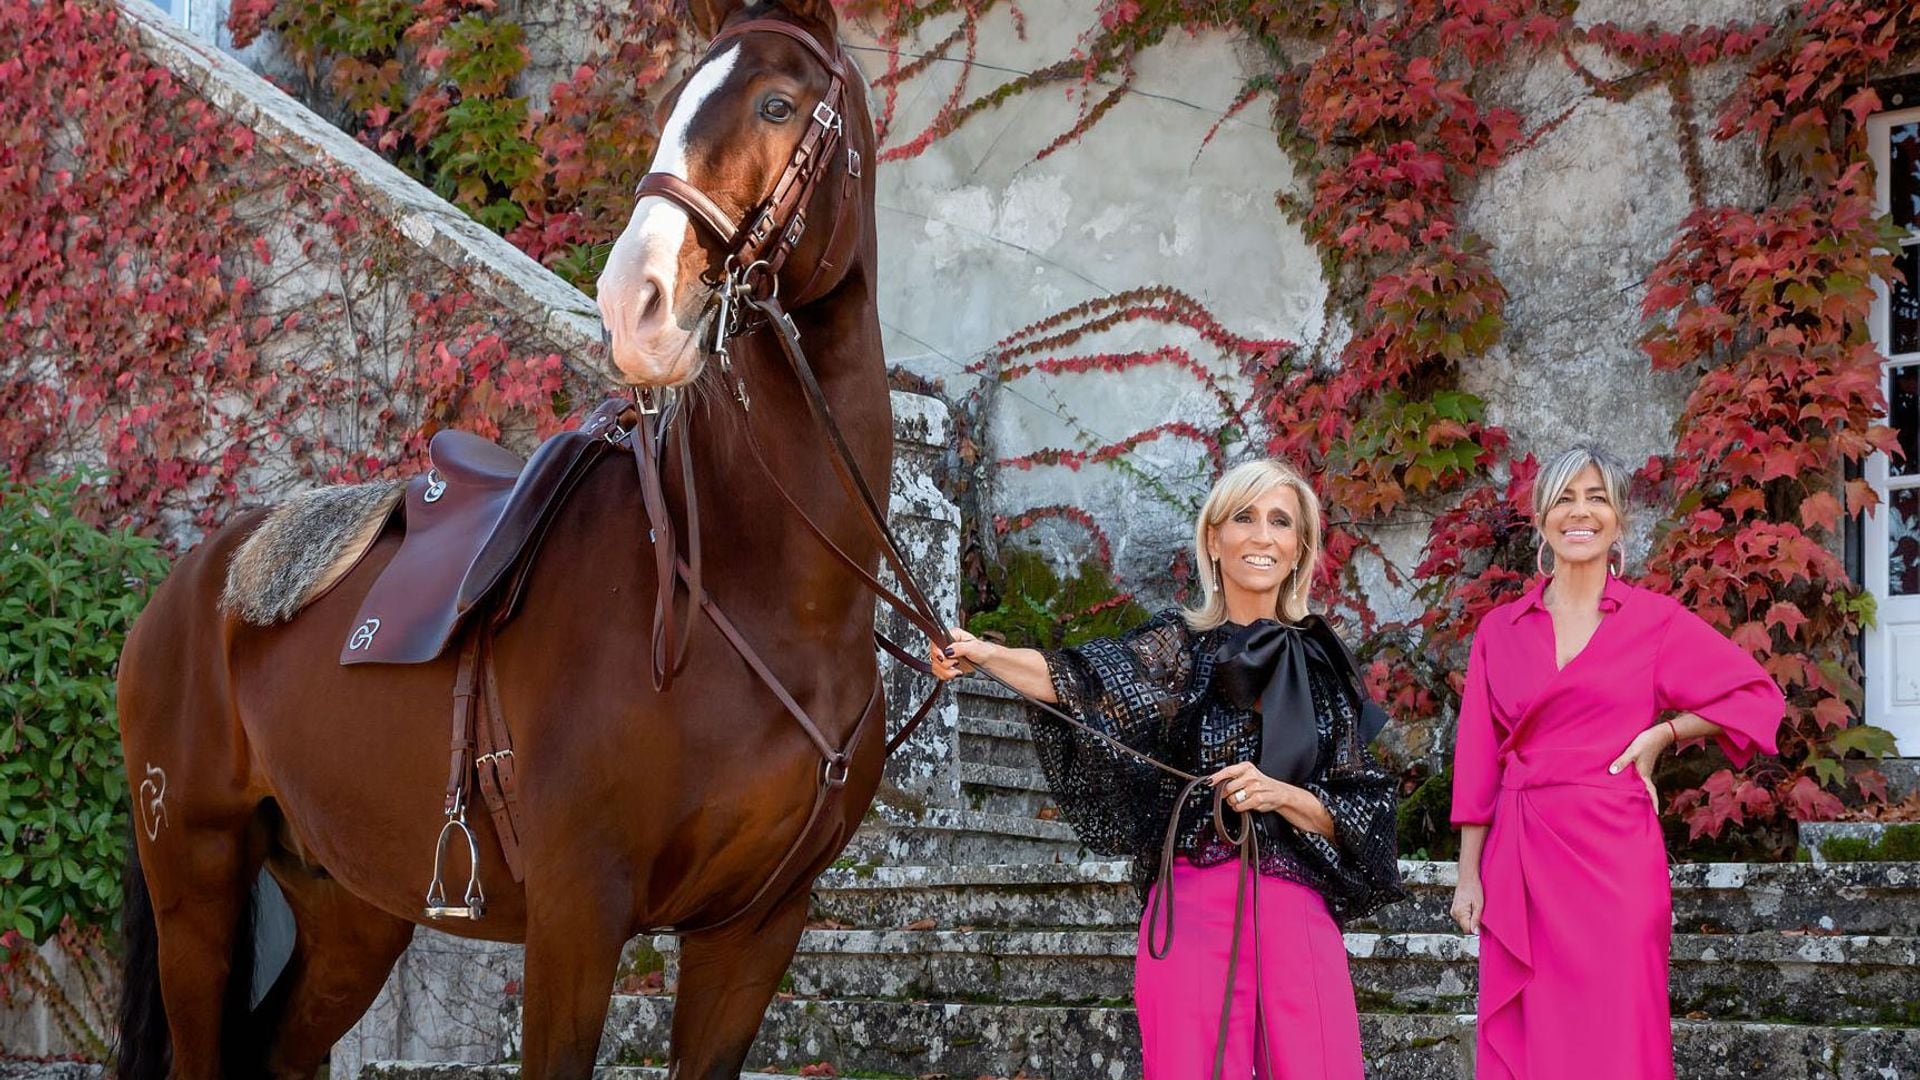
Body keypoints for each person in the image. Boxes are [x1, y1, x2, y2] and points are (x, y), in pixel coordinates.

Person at [930, 458, 1403, 1078]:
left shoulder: (1324, 667)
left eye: (1280, 522)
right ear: (1214, 537)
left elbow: (1364, 811)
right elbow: (1082, 680)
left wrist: (1280, 794)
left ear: (1298, 549)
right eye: (1244, 517)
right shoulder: (1177, 646)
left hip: (1297, 912)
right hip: (1194, 905)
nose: (1262, 535)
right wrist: (985, 655)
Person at [1448, 444, 1785, 1079]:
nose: (1580, 513)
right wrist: (1469, 875)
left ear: (1620, 519)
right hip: (1523, 857)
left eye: (1596, 498)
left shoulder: (1653, 622)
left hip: (1616, 859)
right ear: (1541, 518)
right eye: (1564, 498)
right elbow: (1477, 760)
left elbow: (1756, 695)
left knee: (1619, 1034)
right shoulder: (1501, 628)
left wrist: (1665, 735)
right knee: (1535, 1040)